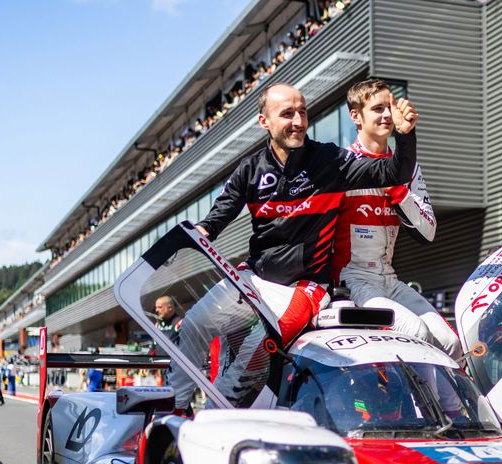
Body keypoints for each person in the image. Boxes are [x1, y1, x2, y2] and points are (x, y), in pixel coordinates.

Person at [173, 82, 420, 411]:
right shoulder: (250, 169)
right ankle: (173, 412)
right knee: (192, 325)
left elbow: (394, 171)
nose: (298, 121)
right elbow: (215, 220)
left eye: (302, 112)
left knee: (254, 354)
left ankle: (214, 420)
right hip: (255, 278)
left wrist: (405, 136)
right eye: (287, 114)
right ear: (265, 122)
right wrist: (200, 231)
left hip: (305, 287)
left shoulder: (330, 160)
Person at [333, 79, 459, 360]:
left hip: (389, 279)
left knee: (451, 343)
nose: (387, 115)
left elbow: (428, 232)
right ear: (356, 116)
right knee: (416, 331)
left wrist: (396, 190)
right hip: (353, 280)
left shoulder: (408, 168)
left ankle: (451, 407)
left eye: (389, 107)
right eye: (377, 109)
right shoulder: (341, 166)